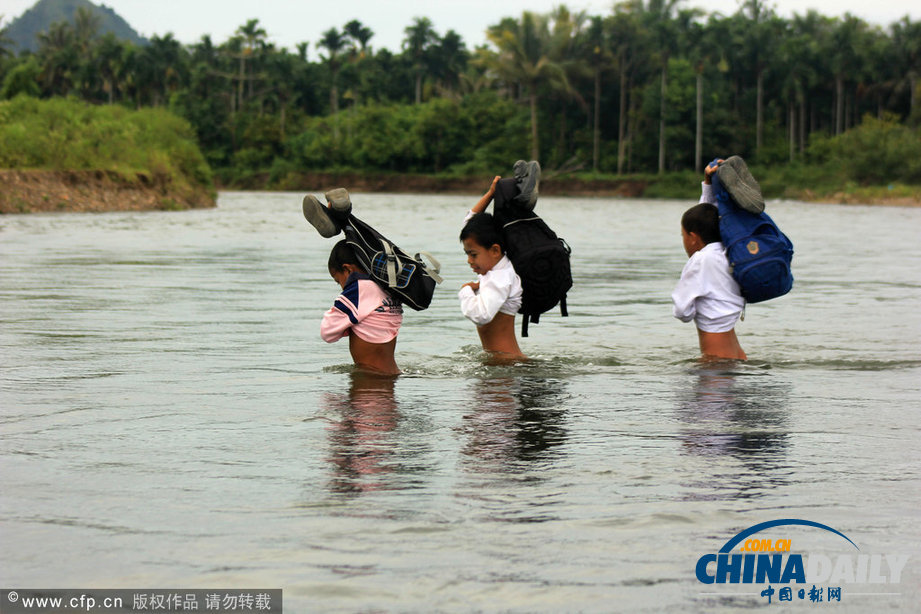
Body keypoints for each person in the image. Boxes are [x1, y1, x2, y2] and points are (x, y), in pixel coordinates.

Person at [672, 164, 747, 361]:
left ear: (693, 237)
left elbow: (682, 312)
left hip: (717, 361)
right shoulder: (727, 251)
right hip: (738, 356)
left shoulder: (701, 260)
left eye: (683, 236)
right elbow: (708, 217)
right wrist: (708, 185)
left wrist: (693, 309)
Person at [458, 176, 525, 360]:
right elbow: (469, 223)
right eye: (467, 254)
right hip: (501, 361)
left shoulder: (500, 278)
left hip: (505, 363)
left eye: (473, 254)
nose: (469, 261)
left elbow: (481, 315)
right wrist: (491, 194)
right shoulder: (496, 267)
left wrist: (465, 291)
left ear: (495, 250)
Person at [321, 239, 403, 375]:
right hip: (391, 375)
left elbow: (327, 332)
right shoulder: (387, 287)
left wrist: (346, 327)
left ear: (347, 269)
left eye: (338, 281)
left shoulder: (358, 290)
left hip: (369, 379)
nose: (341, 287)